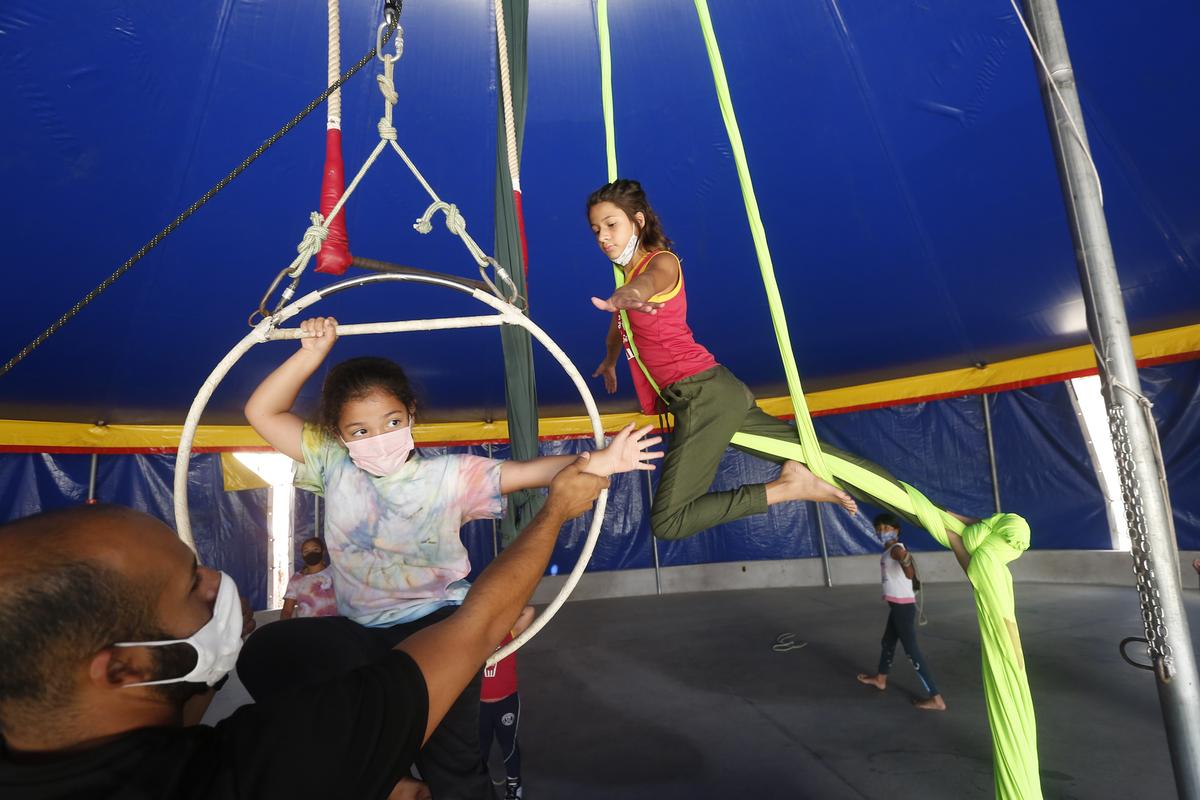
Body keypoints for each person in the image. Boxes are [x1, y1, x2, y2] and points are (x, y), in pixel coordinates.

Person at [0, 460, 606, 799]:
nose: (216, 580)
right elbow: (475, 625)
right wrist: (556, 508)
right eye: (192, 584)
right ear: (126, 667)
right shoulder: (275, 765)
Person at [242, 324, 660, 798]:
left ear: (411, 414)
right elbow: (262, 411)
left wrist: (602, 460)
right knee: (267, 654)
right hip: (359, 629)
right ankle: (391, 778)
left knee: (452, 763)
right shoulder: (331, 462)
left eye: (392, 422)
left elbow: (531, 473)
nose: (378, 438)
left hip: (439, 626)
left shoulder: (451, 475)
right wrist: (310, 354)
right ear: (339, 434)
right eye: (360, 430)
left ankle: (483, 650)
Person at [586, 179, 859, 543]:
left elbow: (647, 284)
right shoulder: (629, 275)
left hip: (702, 395)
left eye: (611, 225)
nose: (603, 237)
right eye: (596, 230)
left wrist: (629, 294)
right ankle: (945, 519)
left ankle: (786, 488)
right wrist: (609, 359)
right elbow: (619, 325)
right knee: (822, 459)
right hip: (716, 394)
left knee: (669, 521)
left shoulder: (660, 263)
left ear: (637, 221)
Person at [856, 513, 946, 711]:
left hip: (902, 608)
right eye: (879, 529)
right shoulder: (888, 552)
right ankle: (880, 678)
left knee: (912, 651)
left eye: (887, 528)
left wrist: (906, 561)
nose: (882, 532)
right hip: (896, 606)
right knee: (887, 642)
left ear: (896, 531)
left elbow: (907, 569)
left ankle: (936, 698)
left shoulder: (896, 549)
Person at [480, 606, 534, 799]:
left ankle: (514, 786)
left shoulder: (509, 634)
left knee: (508, 745)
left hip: (506, 702)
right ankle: (480, 786)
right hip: (480, 706)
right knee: (480, 749)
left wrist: (502, 610)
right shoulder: (472, 642)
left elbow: (528, 611)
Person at [280, 536, 337, 620]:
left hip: (334, 627)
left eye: (315, 549)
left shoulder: (335, 573)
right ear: (302, 555)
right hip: (305, 629)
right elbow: (287, 611)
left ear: (323, 551)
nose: (311, 553)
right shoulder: (296, 579)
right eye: (306, 551)